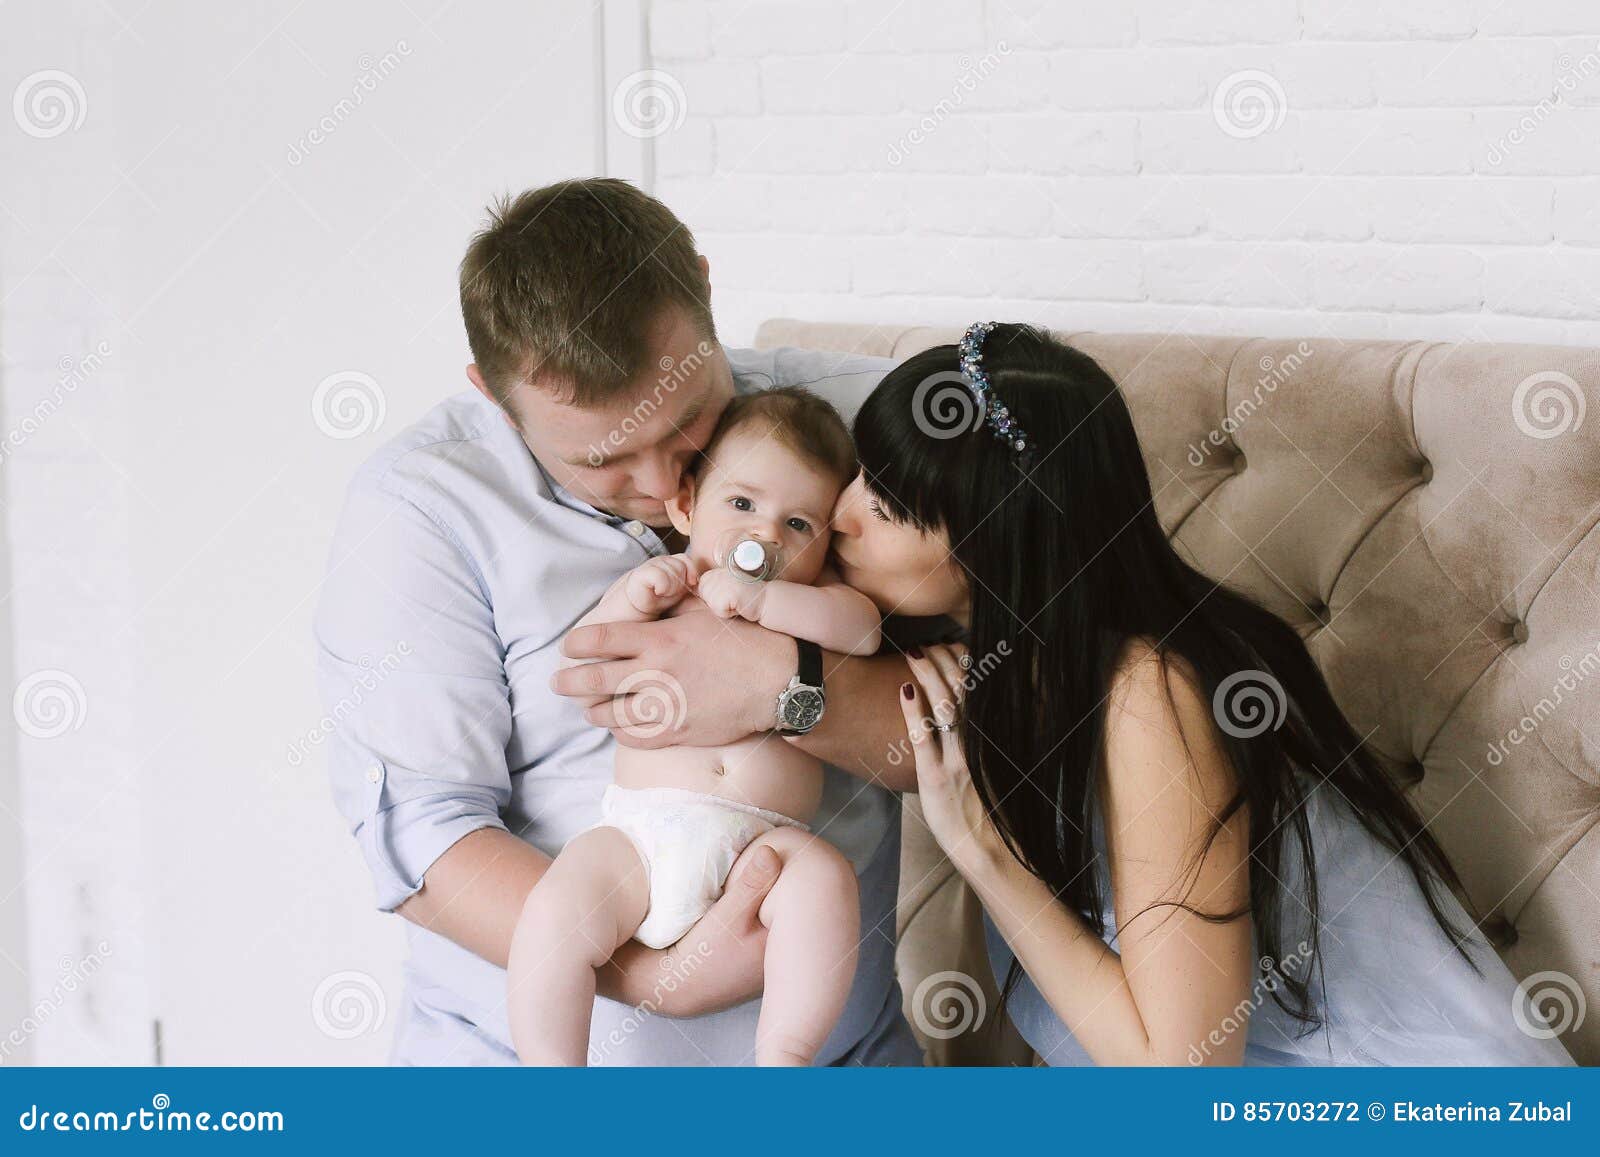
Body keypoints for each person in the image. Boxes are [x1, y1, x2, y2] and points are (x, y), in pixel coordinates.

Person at [831, 321, 1575, 1066]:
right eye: (864, 471)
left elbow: (1180, 1083)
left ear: (1002, 545)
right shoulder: (1011, 667)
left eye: (888, 509)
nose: (841, 514)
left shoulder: (1154, 695)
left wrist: (981, 851)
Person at [314, 179, 920, 1065]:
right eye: (602, 458)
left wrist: (785, 686)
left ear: (707, 290)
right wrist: (648, 967)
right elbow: (423, 831)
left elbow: (1016, 714)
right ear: (493, 392)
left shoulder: (854, 429)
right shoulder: (420, 510)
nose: (660, 483)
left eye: (690, 425)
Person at [509, 389, 878, 1066]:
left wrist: (770, 600)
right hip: (640, 837)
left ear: (827, 546)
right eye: (741, 504)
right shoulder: (667, 590)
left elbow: (866, 628)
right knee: (555, 911)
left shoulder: (811, 604)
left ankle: (786, 1056)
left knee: (826, 884)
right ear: (686, 505)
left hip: (766, 849)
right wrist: (635, 594)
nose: (766, 534)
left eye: (799, 523)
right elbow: (589, 653)